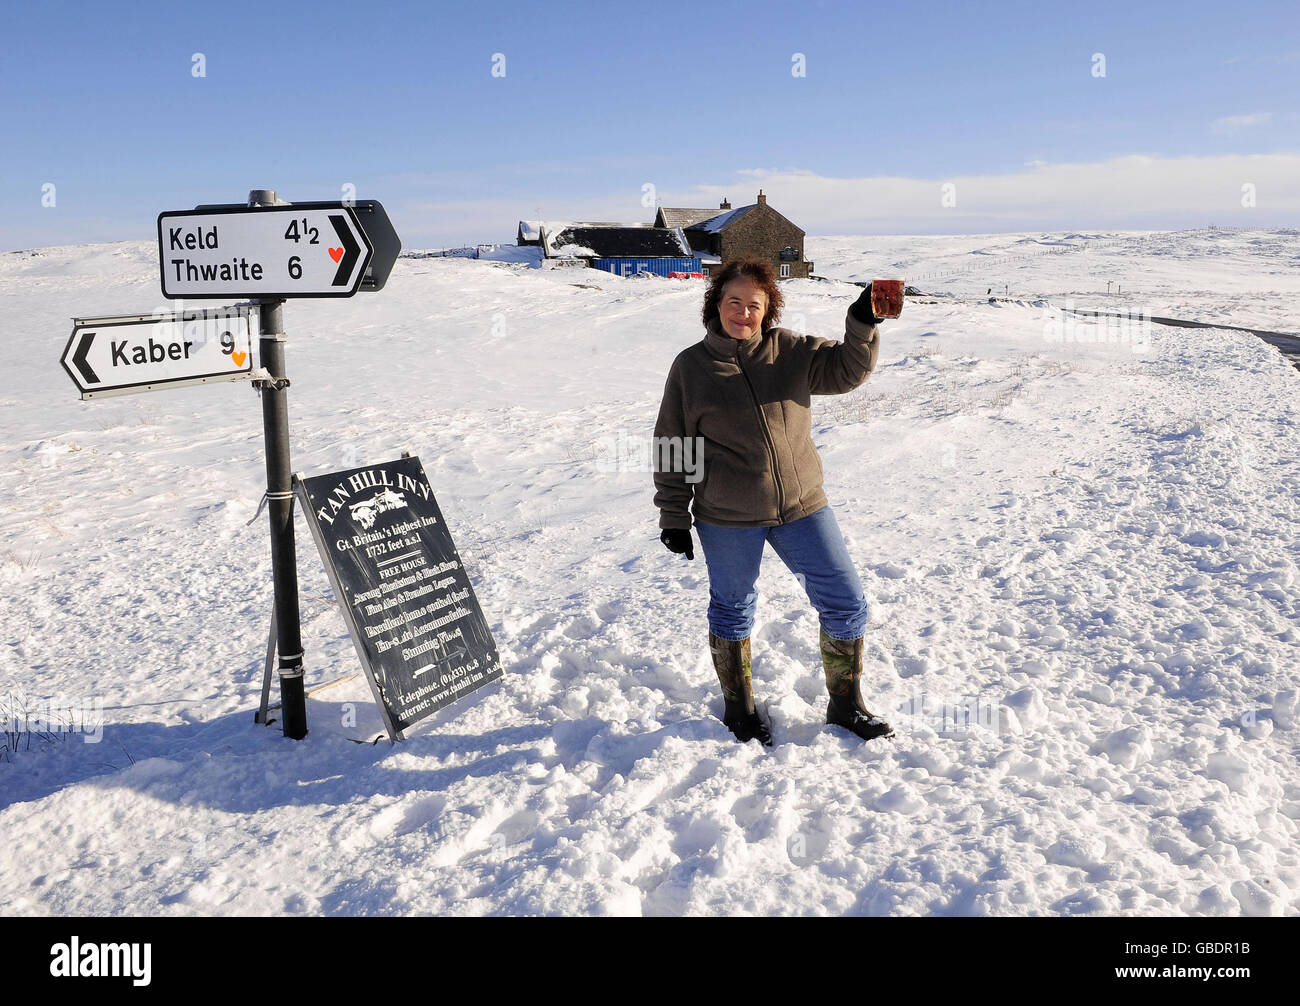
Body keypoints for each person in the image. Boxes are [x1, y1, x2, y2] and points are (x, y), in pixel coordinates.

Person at [652, 257, 895, 746]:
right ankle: (739, 708)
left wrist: (862, 321)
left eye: (754, 305)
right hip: (728, 517)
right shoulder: (691, 368)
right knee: (733, 609)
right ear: (715, 305)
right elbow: (676, 444)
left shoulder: (790, 351)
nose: (743, 313)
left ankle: (846, 704)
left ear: (769, 310)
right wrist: (674, 515)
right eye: (734, 302)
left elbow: (847, 371)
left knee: (846, 602)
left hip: (803, 507)